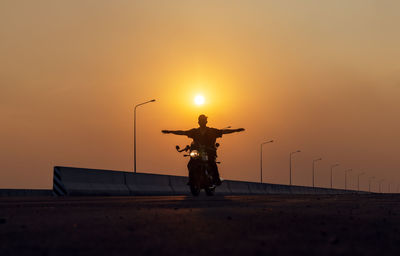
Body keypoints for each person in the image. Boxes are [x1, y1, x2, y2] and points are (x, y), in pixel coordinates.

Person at [162, 114, 245, 185]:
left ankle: (216, 179)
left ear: (206, 122)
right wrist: (170, 131)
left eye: (203, 120)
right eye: (200, 120)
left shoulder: (212, 131)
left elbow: (223, 132)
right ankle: (192, 179)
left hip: (209, 152)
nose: (202, 122)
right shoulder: (194, 131)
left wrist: (236, 130)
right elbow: (182, 132)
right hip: (198, 152)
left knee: (212, 163)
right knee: (190, 163)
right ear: (198, 122)